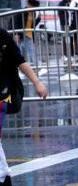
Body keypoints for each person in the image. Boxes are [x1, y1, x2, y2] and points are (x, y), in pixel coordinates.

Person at [0, 28, 48, 186]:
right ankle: (3, 174)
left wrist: (37, 82)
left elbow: (20, 61)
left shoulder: (2, 36)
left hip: (4, 93)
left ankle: (3, 175)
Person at [13, 0, 40, 65]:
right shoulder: (22, 12)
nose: (34, 8)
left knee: (31, 52)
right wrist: (17, 34)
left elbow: (32, 26)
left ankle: (34, 66)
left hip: (29, 35)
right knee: (21, 52)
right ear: (29, 4)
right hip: (21, 35)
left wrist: (38, 19)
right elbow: (16, 22)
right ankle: (20, 66)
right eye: (33, 6)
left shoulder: (33, 13)